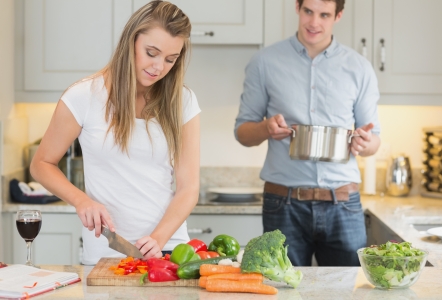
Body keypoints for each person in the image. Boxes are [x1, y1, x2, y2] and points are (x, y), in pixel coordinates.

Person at [30, 1, 200, 265]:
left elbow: (188, 187)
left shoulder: (183, 101)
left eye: (170, 59)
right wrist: (81, 201)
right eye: (151, 52)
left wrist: (158, 239)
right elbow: (41, 164)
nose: (159, 67)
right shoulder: (84, 95)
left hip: (169, 249)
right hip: (107, 253)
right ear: (131, 41)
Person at [234, 0, 381, 266]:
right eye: (308, 12)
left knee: (345, 291)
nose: (314, 23)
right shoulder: (264, 62)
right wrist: (265, 128)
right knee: (283, 291)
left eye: (324, 14)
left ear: (338, 15)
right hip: (283, 203)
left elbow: (374, 141)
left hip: (343, 204)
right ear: (297, 8)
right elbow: (243, 133)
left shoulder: (359, 68)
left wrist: (365, 142)